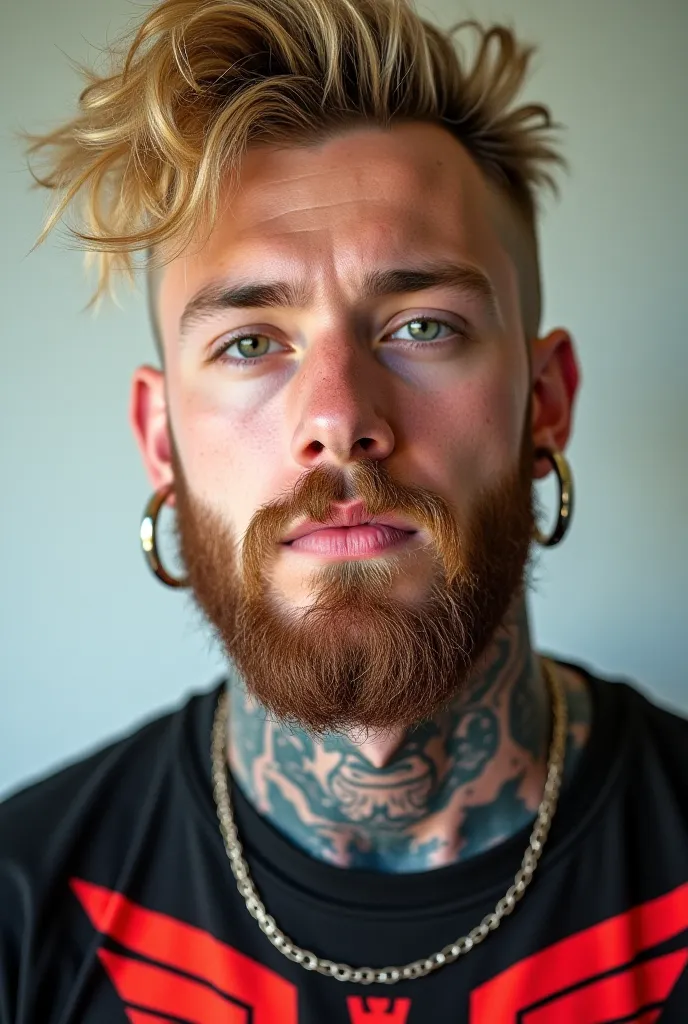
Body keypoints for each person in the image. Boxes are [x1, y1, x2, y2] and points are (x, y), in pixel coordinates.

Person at [2, 0, 687, 1019]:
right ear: (161, 439)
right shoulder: (24, 907)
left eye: (420, 325)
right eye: (248, 343)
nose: (338, 419)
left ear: (543, 403)